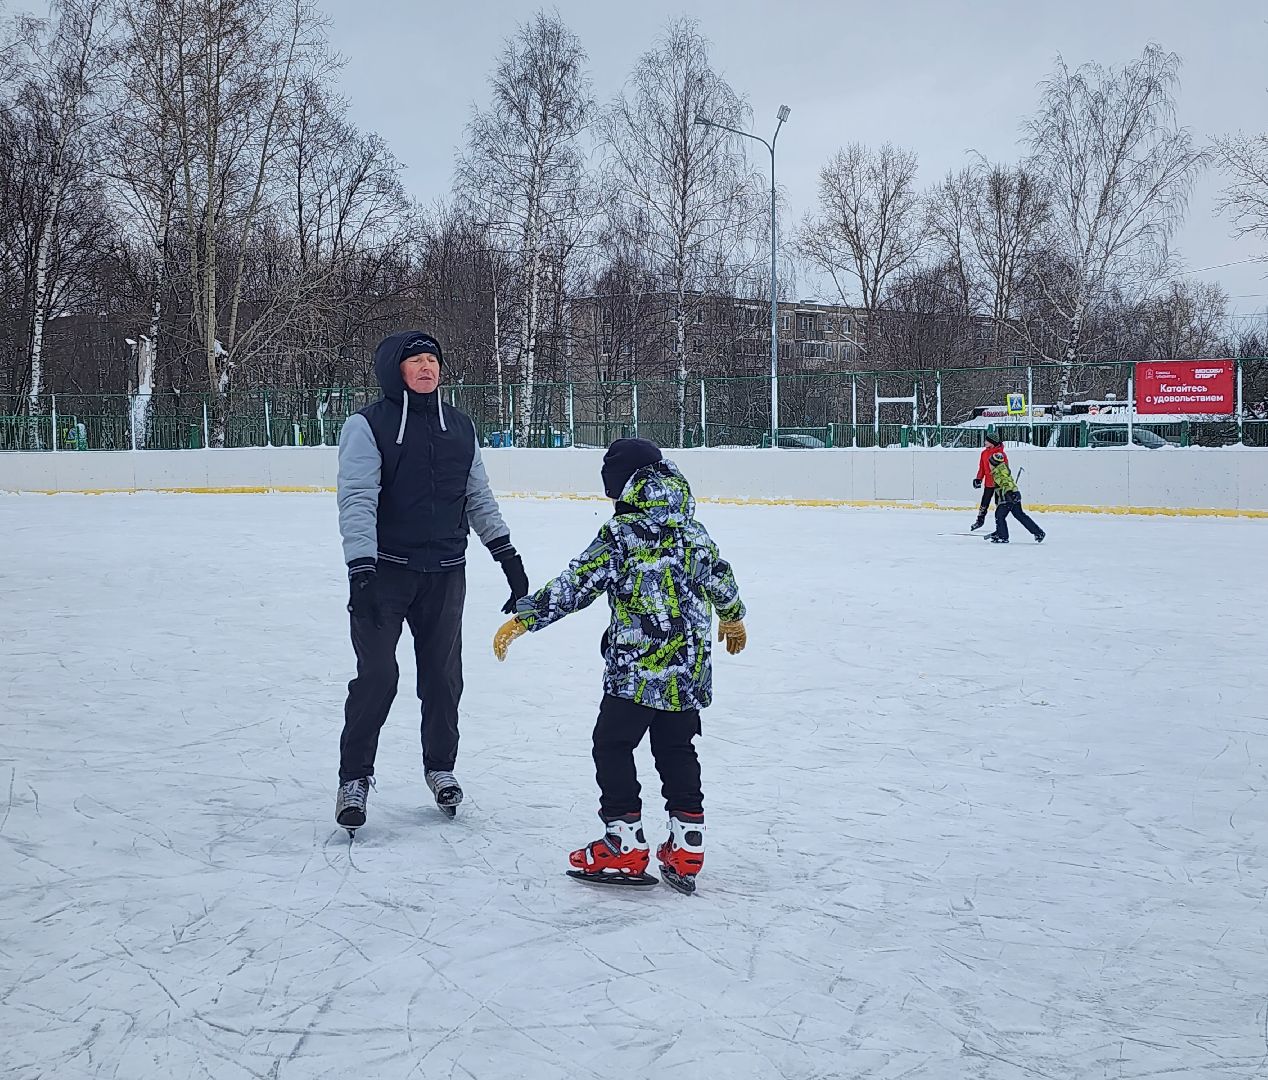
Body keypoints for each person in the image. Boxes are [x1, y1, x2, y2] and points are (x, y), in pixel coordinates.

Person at [491, 438, 746, 894]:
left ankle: (623, 842)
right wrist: (733, 616)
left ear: (624, 486)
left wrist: (526, 619)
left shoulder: (621, 536)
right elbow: (719, 576)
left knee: (611, 745)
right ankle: (688, 846)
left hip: (635, 675)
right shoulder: (692, 530)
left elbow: (577, 583)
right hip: (685, 675)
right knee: (677, 749)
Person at [334, 330, 530, 833]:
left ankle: (440, 768)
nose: (427, 368)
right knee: (378, 677)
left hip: (445, 574)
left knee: (443, 681)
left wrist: (506, 555)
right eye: (416, 360)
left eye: (433, 360)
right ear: (393, 370)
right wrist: (360, 567)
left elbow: (478, 498)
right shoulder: (367, 426)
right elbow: (358, 497)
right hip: (385, 573)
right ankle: (354, 778)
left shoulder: (459, 428)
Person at [985, 452, 1045, 544]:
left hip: (1008, 497)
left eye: (989, 463)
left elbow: (1006, 482)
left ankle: (1002, 536)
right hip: (1014, 495)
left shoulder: (998, 472)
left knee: (999, 516)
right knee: (1019, 515)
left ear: (993, 464)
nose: (989, 465)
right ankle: (1038, 532)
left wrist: (1009, 492)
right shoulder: (1003, 469)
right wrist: (1014, 492)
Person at [971, 427, 1008, 531]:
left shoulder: (1001, 454)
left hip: (999, 484)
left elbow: (1005, 470)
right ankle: (979, 521)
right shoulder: (984, 453)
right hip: (988, 483)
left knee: (999, 504)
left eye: (987, 441)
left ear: (992, 442)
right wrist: (978, 478)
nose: (985, 442)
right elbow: (982, 468)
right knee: (984, 503)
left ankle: (999, 525)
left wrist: (1005, 483)